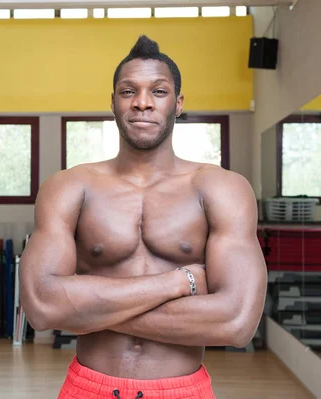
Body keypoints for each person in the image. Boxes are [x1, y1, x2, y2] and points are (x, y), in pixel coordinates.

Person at [19, 35, 268, 399]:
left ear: (178, 103)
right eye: (128, 91)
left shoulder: (222, 188)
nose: (142, 102)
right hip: (89, 387)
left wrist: (86, 308)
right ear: (113, 103)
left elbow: (236, 321)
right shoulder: (69, 187)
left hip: (183, 390)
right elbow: (41, 307)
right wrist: (180, 282)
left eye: (159, 91)